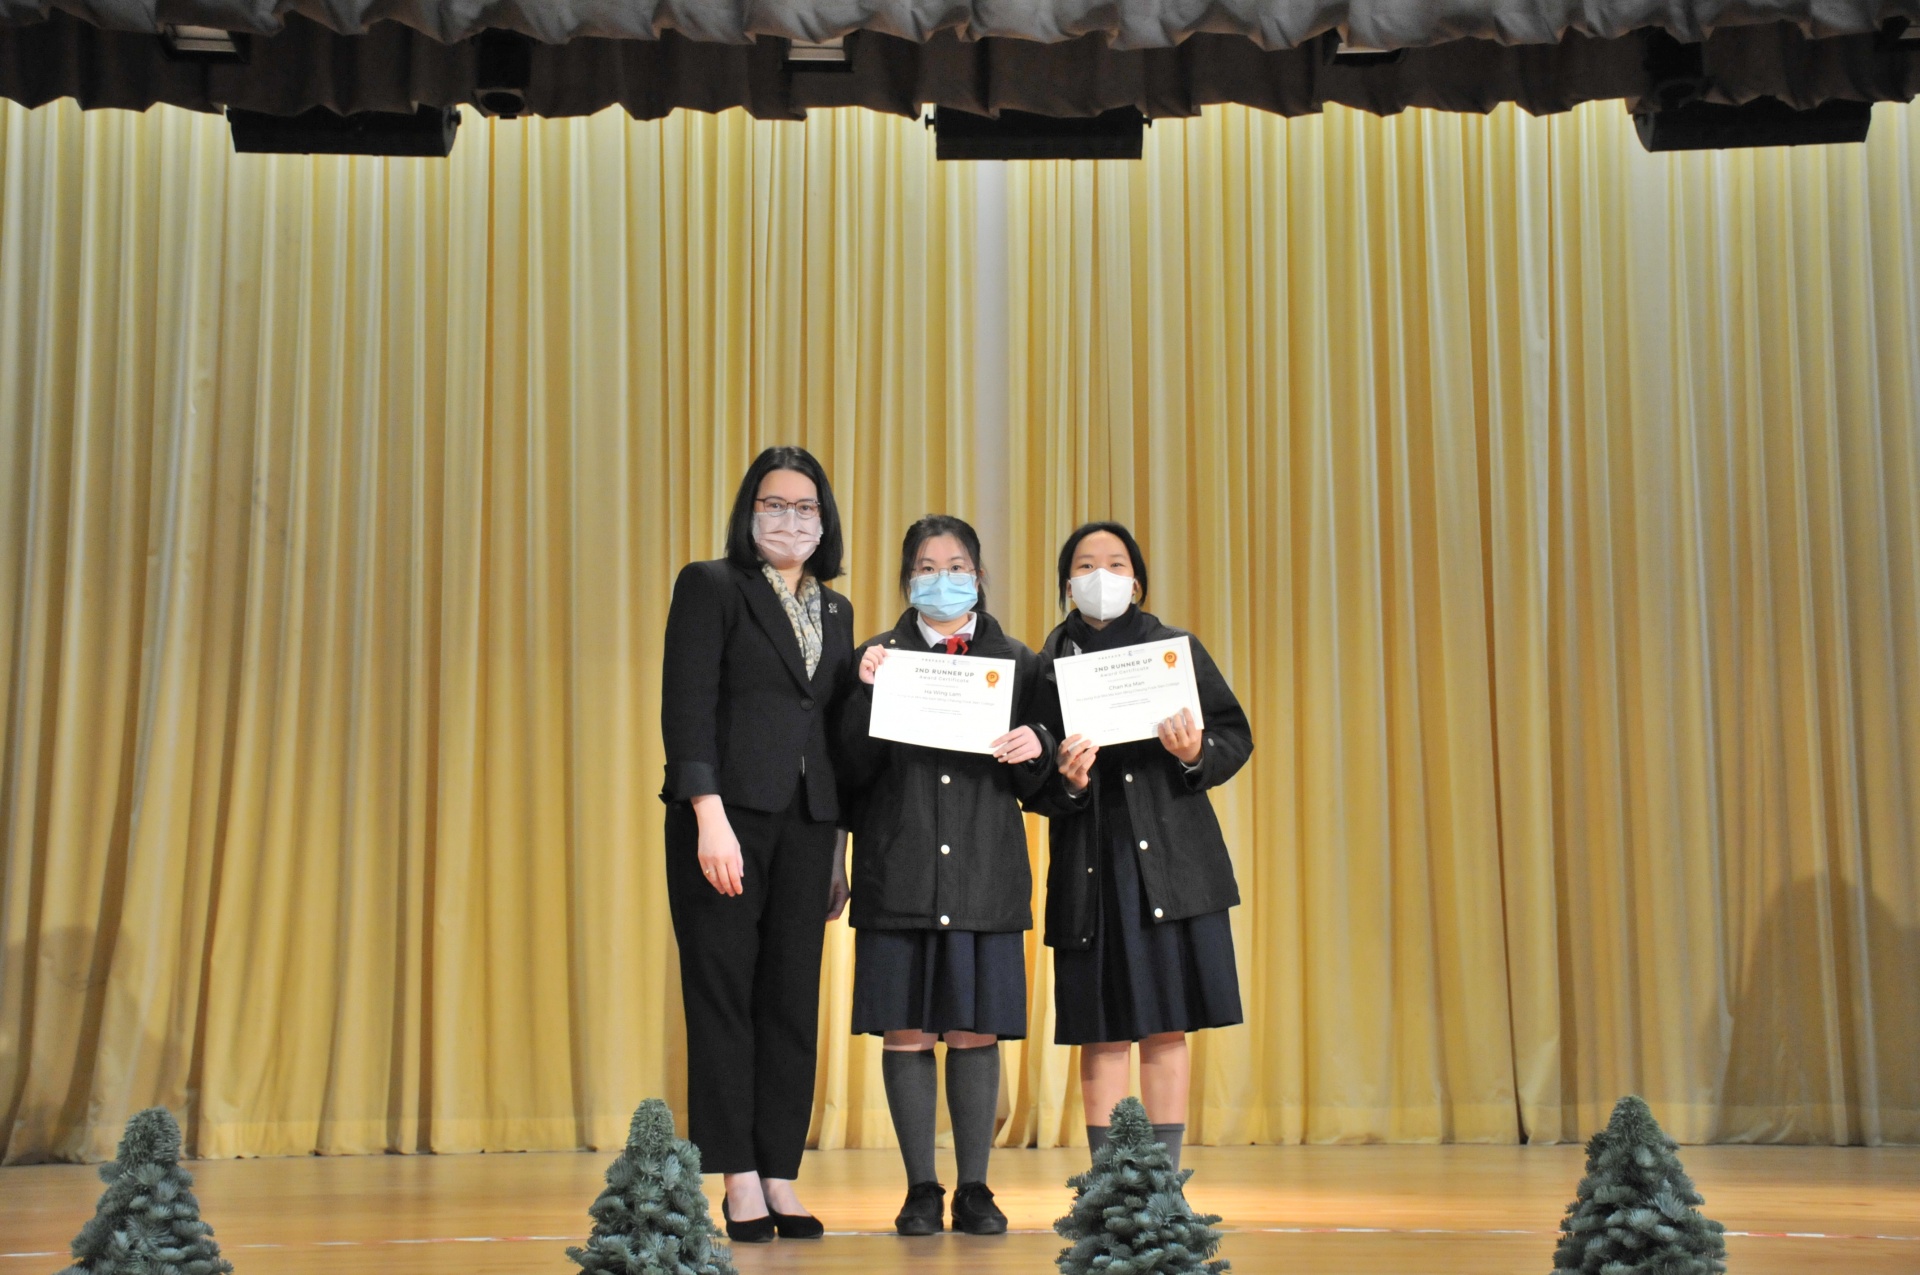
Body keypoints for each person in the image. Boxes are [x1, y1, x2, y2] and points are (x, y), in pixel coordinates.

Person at [836, 515, 1055, 1236]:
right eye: (926, 567)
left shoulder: (1018, 662)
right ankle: (920, 1189)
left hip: (984, 876)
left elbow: (1045, 784)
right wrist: (865, 692)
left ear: (980, 577)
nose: (942, 579)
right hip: (898, 871)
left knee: (974, 1031)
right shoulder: (877, 657)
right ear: (907, 579)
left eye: (956, 565)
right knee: (906, 1032)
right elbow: (847, 772)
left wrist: (1037, 745)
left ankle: (976, 1188)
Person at [658, 446, 856, 1244]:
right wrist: (707, 814)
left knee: (790, 1001)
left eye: (805, 507)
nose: (789, 520)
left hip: (809, 823)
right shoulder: (710, 585)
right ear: (749, 512)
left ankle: (780, 1170)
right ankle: (737, 1173)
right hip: (725, 820)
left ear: (824, 520)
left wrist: (838, 847)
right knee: (723, 996)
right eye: (773, 504)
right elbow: (687, 705)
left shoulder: (837, 609)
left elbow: (833, 730)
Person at [1029, 521, 1252, 1172]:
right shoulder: (1047, 668)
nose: (1100, 575)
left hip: (1173, 863)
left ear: (1137, 582)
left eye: (1116, 563)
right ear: (1067, 584)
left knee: (1166, 1022)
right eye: (1085, 565)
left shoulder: (1172, 651)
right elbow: (1028, 780)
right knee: (1100, 1027)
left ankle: (1163, 1184)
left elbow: (1233, 736)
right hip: (1091, 863)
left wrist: (1194, 752)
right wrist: (1066, 782)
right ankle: (1109, 1185)